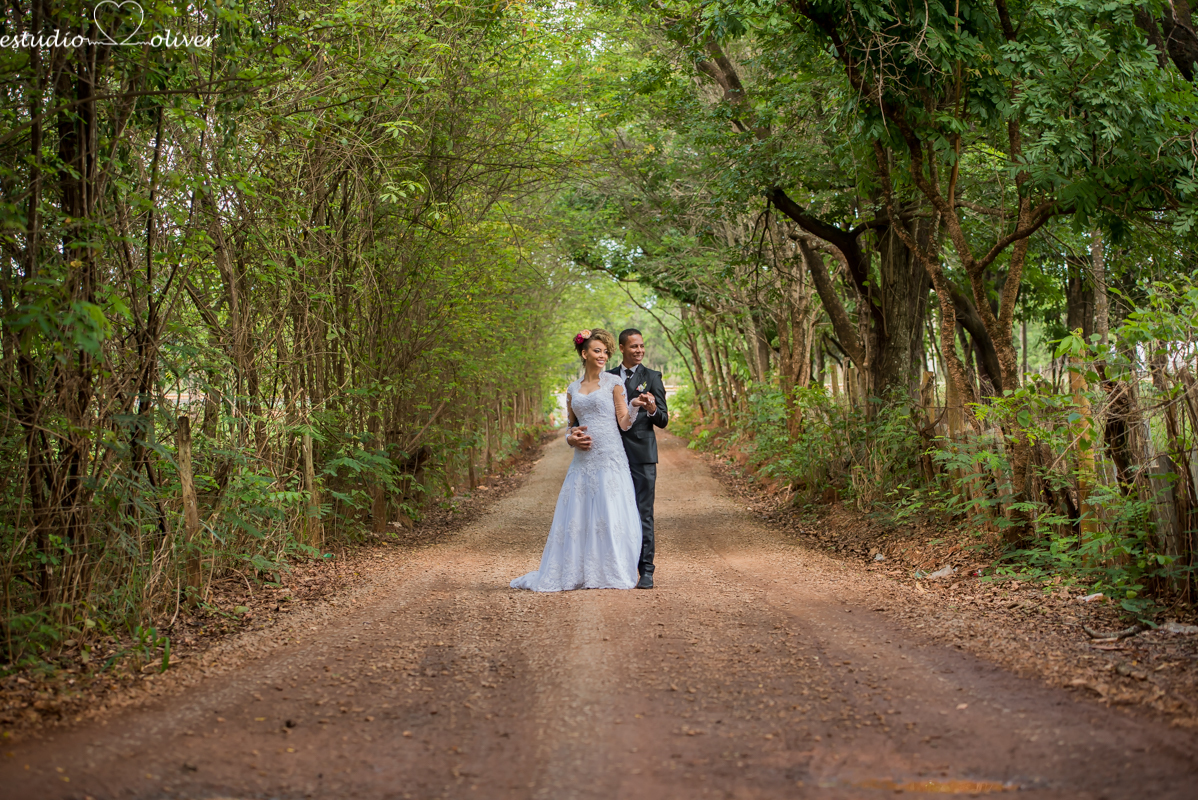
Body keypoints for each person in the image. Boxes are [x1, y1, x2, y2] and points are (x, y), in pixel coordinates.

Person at [510, 329, 647, 591]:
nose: (603, 355)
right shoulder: (573, 389)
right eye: (597, 351)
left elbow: (624, 423)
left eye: (605, 352)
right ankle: (577, 570)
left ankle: (610, 570)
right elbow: (570, 427)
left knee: (609, 511)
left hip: (610, 456)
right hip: (583, 460)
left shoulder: (614, 383)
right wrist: (571, 439)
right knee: (579, 513)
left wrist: (635, 406)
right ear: (584, 354)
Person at [607, 328, 668, 588]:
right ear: (622, 348)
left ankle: (646, 571)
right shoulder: (607, 377)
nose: (639, 350)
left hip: (643, 455)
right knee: (613, 512)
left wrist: (652, 408)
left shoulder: (652, 377)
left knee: (643, 512)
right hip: (612, 454)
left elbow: (663, 419)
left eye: (642, 346)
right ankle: (617, 567)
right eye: (634, 346)